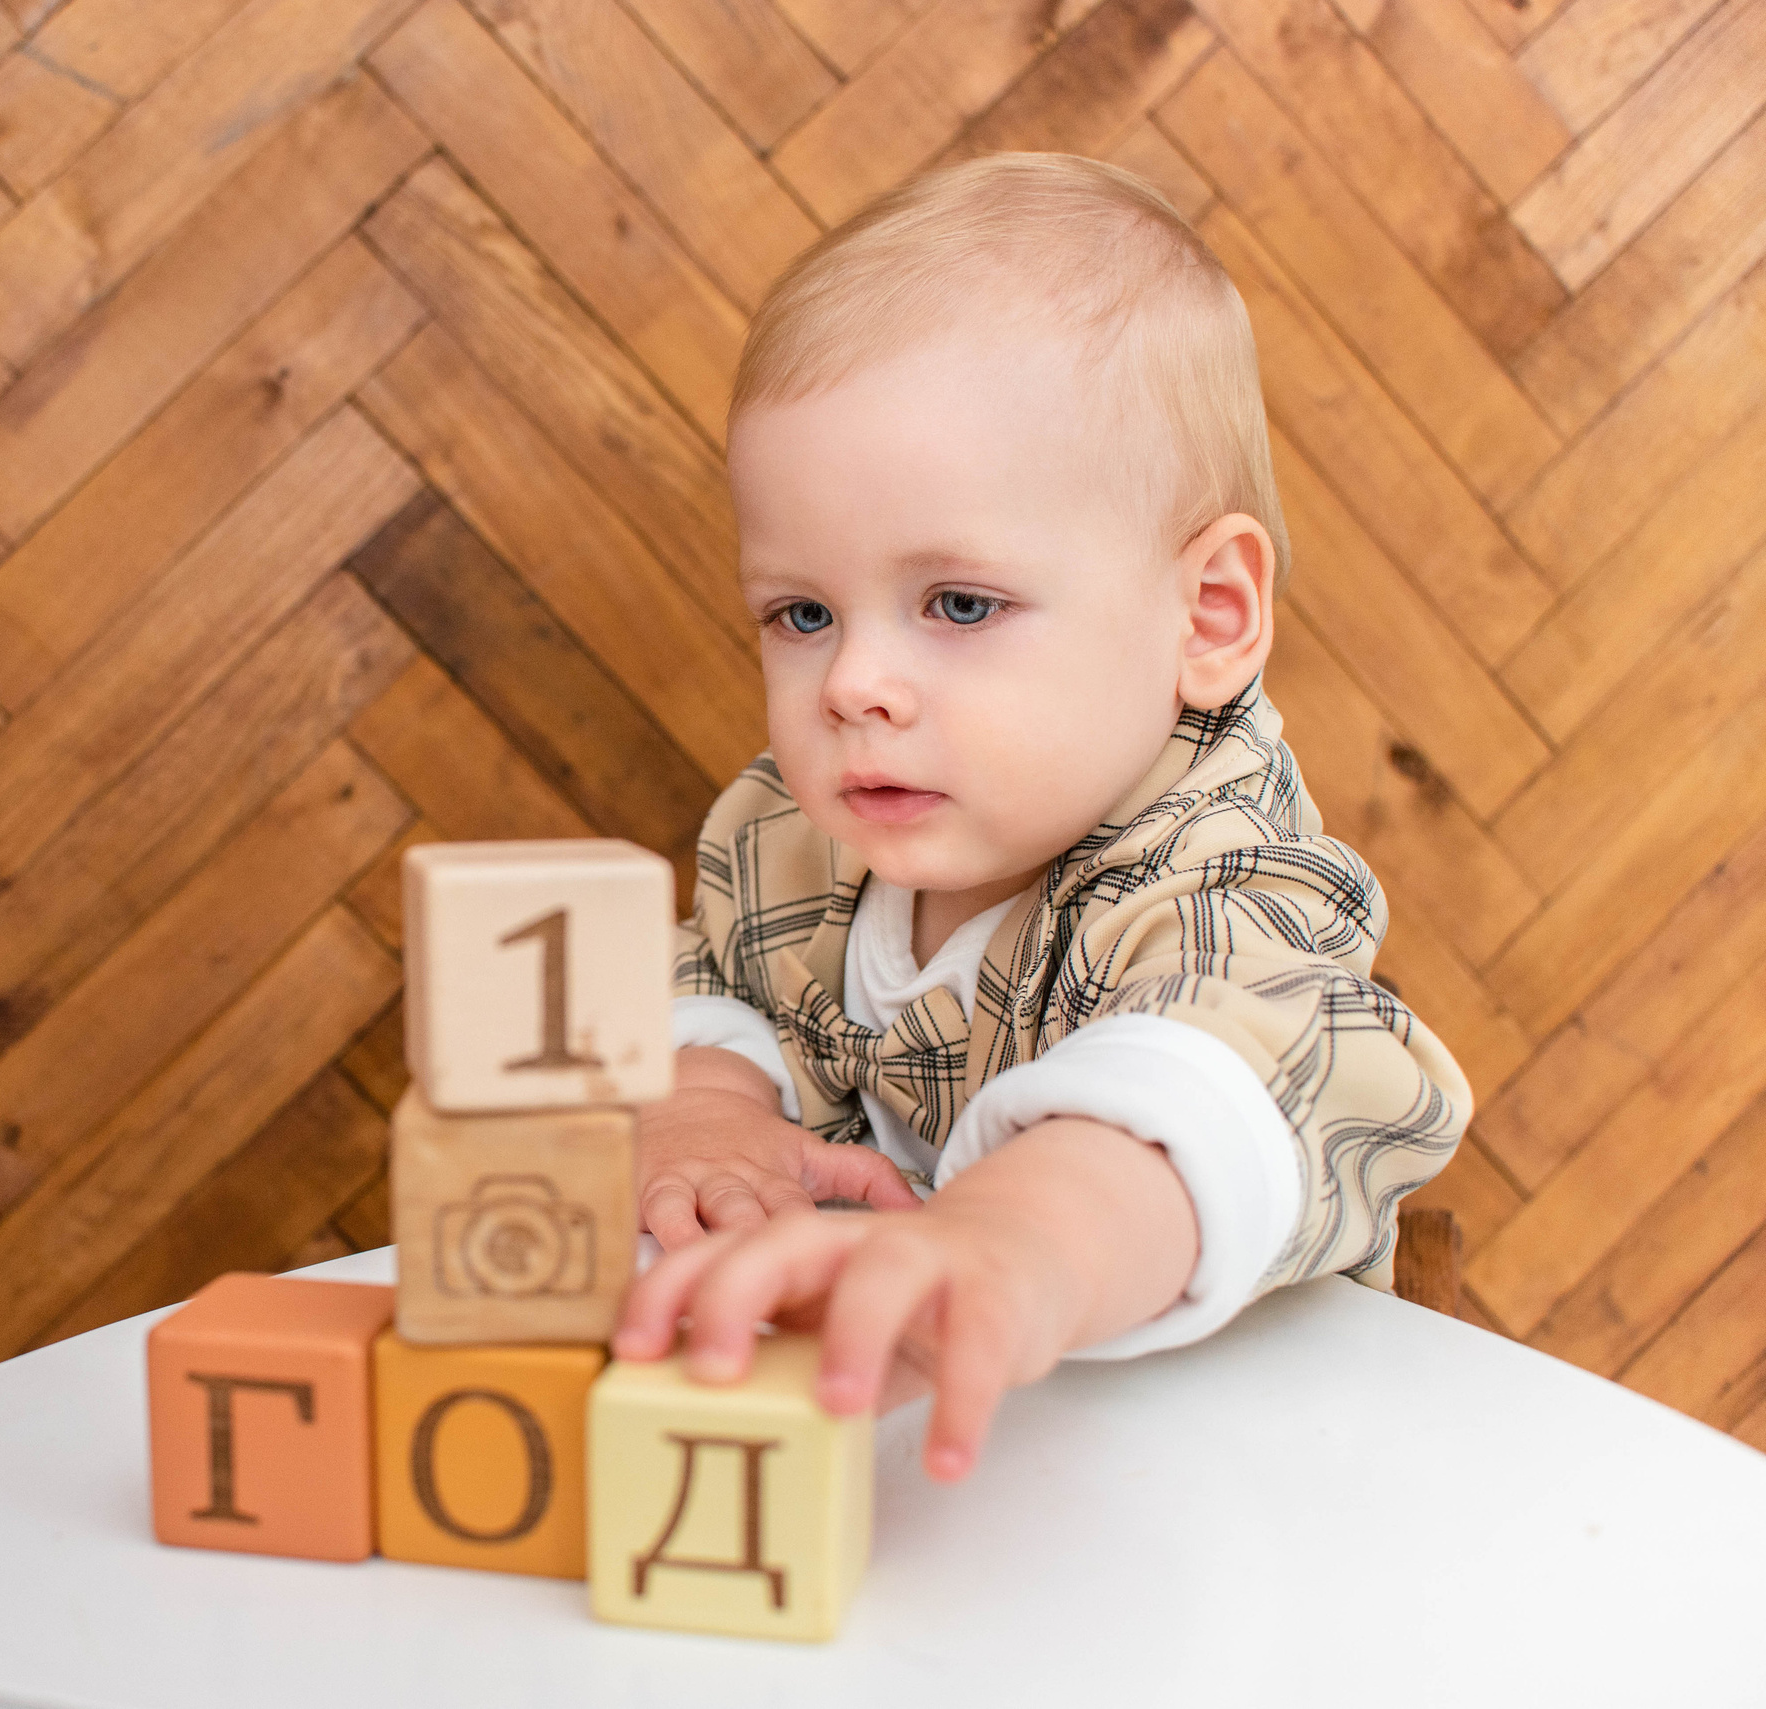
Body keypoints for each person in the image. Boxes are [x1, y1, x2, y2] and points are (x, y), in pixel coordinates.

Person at [610, 152, 1470, 1484]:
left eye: (958, 605)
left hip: (1227, 1485)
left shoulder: (1219, 872)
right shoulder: (795, 834)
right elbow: (707, 975)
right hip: (920, 1469)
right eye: (802, 613)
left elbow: (1232, 1077)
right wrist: (703, 1099)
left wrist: (1014, 1243)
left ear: (1207, 616)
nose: (852, 684)